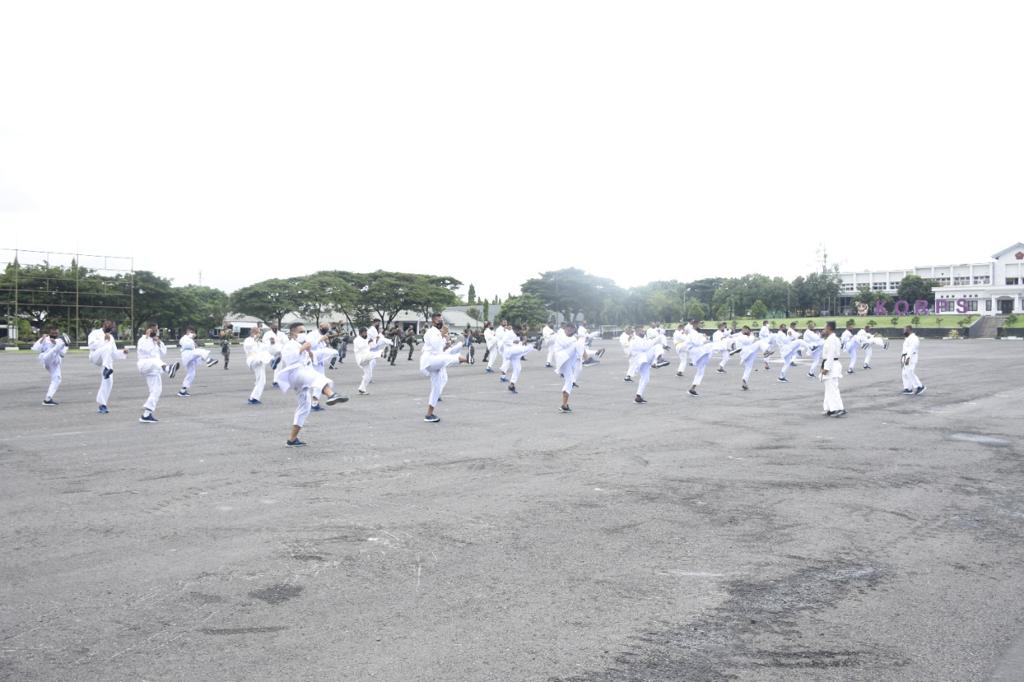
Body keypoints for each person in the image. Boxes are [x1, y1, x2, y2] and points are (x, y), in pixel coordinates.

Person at [273, 322, 349, 446]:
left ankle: (292, 439)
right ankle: (331, 395)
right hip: (296, 372)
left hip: (300, 377)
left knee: (305, 407)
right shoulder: (289, 344)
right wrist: (304, 347)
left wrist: (310, 352)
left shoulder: (302, 344)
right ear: (293, 333)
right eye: (301, 332)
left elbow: (312, 359)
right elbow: (291, 358)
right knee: (317, 377)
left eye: (305, 331)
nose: (304, 334)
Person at [421, 313, 469, 422]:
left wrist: (447, 340)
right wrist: (442, 335)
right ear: (433, 322)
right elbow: (435, 345)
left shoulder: (439, 333)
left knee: (436, 389)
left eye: (441, 320)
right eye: (438, 320)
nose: (441, 322)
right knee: (446, 358)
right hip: (429, 361)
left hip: (436, 362)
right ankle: (465, 359)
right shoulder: (431, 332)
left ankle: (429, 415)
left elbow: (442, 347)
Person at [136, 323, 180, 423]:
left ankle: (146, 414)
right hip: (145, 364)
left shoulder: (156, 340)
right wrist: (148, 337)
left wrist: (159, 342)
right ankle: (168, 369)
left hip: (154, 369)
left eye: (156, 330)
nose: (155, 331)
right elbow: (145, 350)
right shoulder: (143, 339)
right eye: (153, 329)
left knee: (156, 391)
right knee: (154, 360)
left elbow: (164, 352)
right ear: (147, 329)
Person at [88, 319, 127, 413]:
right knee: (107, 348)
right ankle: (106, 368)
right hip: (95, 356)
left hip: (106, 360)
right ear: (103, 324)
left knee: (109, 381)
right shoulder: (95, 333)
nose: (110, 326)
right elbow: (91, 345)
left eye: (111, 325)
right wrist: (104, 340)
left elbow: (113, 353)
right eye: (108, 324)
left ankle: (102, 405)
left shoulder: (112, 337)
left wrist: (123, 352)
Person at [31, 327, 70, 406]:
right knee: (48, 354)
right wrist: (42, 340)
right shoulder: (45, 339)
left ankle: (47, 399)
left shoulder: (62, 342)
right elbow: (35, 349)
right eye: (53, 333)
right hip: (45, 358)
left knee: (57, 379)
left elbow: (62, 354)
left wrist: (56, 344)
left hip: (55, 362)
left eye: (56, 333)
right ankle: (47, 400)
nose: (54, 335)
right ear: (49, 333)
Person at [177, 327, 218, 397]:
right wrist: (191, 338)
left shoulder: (190, 339)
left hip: (190, 356)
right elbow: (185, 345)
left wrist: (193, 342)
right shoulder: (184, 338)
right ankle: (208, 360)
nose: (193, 333)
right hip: (187, 355)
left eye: (193, 332)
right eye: (191, 332)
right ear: (187, 331)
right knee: (201, 351)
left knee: (191, 374)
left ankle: (182, 390)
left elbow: (194, 346)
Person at [551, 322, 581, 413]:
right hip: (562, 358)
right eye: (569, 329)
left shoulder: (571, 338)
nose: (570, 331)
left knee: (570, 380)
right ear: (565, 328)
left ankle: (565, 404)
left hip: (566, 359)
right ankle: (564, 405)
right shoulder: (560, 335)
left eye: (573, 330)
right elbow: (565, 342)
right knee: (569, 381)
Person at [353, 326, 392, 395]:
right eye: (364, 333)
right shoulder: (356, 340)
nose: (366, 334)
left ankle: (362, 389)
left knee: (369, 375)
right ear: (361, 333)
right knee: (371, 354)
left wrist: (375, 340)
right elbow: (361, 347)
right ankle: (381, 353)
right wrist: (368, 341)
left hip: (366, 359)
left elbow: (373, 346)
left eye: (366, 333)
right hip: (361, 358)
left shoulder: (366, 339)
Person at [820, 321, 846, 417]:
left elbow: (830, 355)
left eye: (824, 328)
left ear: (829, 328)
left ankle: (839, 408)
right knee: (829, 388)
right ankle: (830, 408)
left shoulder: (832, 339)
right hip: (831, 363)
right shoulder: (832, 338)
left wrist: (826, 368)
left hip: (831, 365)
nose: (823, 330)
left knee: (832, 388)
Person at [243, 326, 273, 404]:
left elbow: (266, 347)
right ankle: (272, 361)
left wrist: (270, 341)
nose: (259, 334)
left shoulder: (260, 342)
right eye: (258, 332)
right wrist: (255, 340)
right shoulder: (248, 340)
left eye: (259, 333)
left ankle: (254, 398)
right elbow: (248, 347)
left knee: (261, 381)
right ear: (253, 333)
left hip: (260, 362)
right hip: (252, 359)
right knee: (261, 379)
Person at [900, 325, 926, 396]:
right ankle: (908, 389)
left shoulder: (914, 338)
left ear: (909, 330)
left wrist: (908, 358)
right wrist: (902, 359)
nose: (903, 332)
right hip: (905, 357)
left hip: (911, 357)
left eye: (904, 330)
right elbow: (905, 349)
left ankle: (920, 386)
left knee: (910, 372)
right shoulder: (908, 338)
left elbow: (912, 349)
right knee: (904, 373)